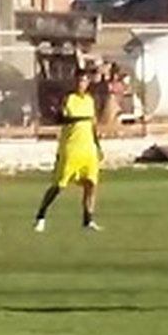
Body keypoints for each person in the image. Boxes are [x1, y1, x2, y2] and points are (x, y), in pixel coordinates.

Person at [34, 68, 103, 233]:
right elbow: (58, 118)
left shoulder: (90, 100)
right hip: (71, 149)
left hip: (88, 149)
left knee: (91, 185)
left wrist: (98, 146)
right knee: (59, 186)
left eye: (84, 81)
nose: (81, 84)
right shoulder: (68, 99)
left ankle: (88, 220)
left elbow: (93, 125)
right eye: (79, 81)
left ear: (88, 83)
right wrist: (75, 119)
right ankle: (41, 216)